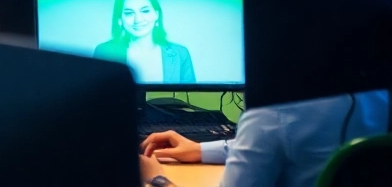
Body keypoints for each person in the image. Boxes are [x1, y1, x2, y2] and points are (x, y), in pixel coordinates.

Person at [140, 90, 390, 187]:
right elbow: (284, 139)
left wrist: (157, 178)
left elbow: (276, 132)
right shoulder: (379, 98)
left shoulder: (274, 110)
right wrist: (200, 149)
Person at [94, 0, 195, 84]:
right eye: (129, 13)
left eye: (145, 11)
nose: (138, 20)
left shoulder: (180, 53)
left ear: (156, 15)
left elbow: (191, 93)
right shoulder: (104, 52)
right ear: (120, 20)